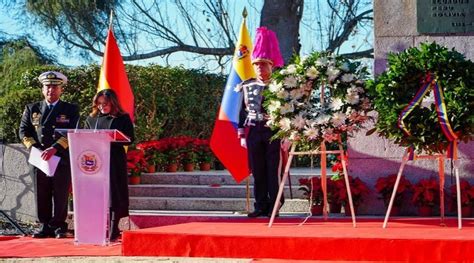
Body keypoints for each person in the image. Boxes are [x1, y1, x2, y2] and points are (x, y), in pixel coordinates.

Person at [19, 71, 80, 238]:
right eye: (47, 86)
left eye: (54, 87)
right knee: (41, 192)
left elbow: (72, 131)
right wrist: (34, 148)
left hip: (60, 157)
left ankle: (59, 226)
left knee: (60, 193)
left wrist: (55, 148)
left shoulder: (71, 109)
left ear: (61, 89)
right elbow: (23, 131)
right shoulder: (32, 108)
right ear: (42, 89)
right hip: (39, 158)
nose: (50, 90)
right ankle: (45, 225)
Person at [236, 27, 285, 218]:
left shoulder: (279, 86)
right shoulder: (246, 85)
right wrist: (241, 134)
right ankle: (260, 205)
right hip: (253, 130)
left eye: (263, 64)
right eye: (257, 65)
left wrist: (286, 134)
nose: (260, 68)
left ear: (271, 66)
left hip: (273, 130)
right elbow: (241, 111)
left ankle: (275, 205)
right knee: (257, 169)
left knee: (273, 169)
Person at [84, 89, 134, 241]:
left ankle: (114, 229)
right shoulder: (91, 119)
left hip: (114, 160)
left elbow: (130, 139)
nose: (101, 107)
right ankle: (95, 227)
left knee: (114, 195)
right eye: (98, 104)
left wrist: (113, 138)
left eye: (104, 104)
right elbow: (83, 137)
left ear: (113, 102)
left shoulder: (122, 118)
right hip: (95, 162)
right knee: (97, 195)